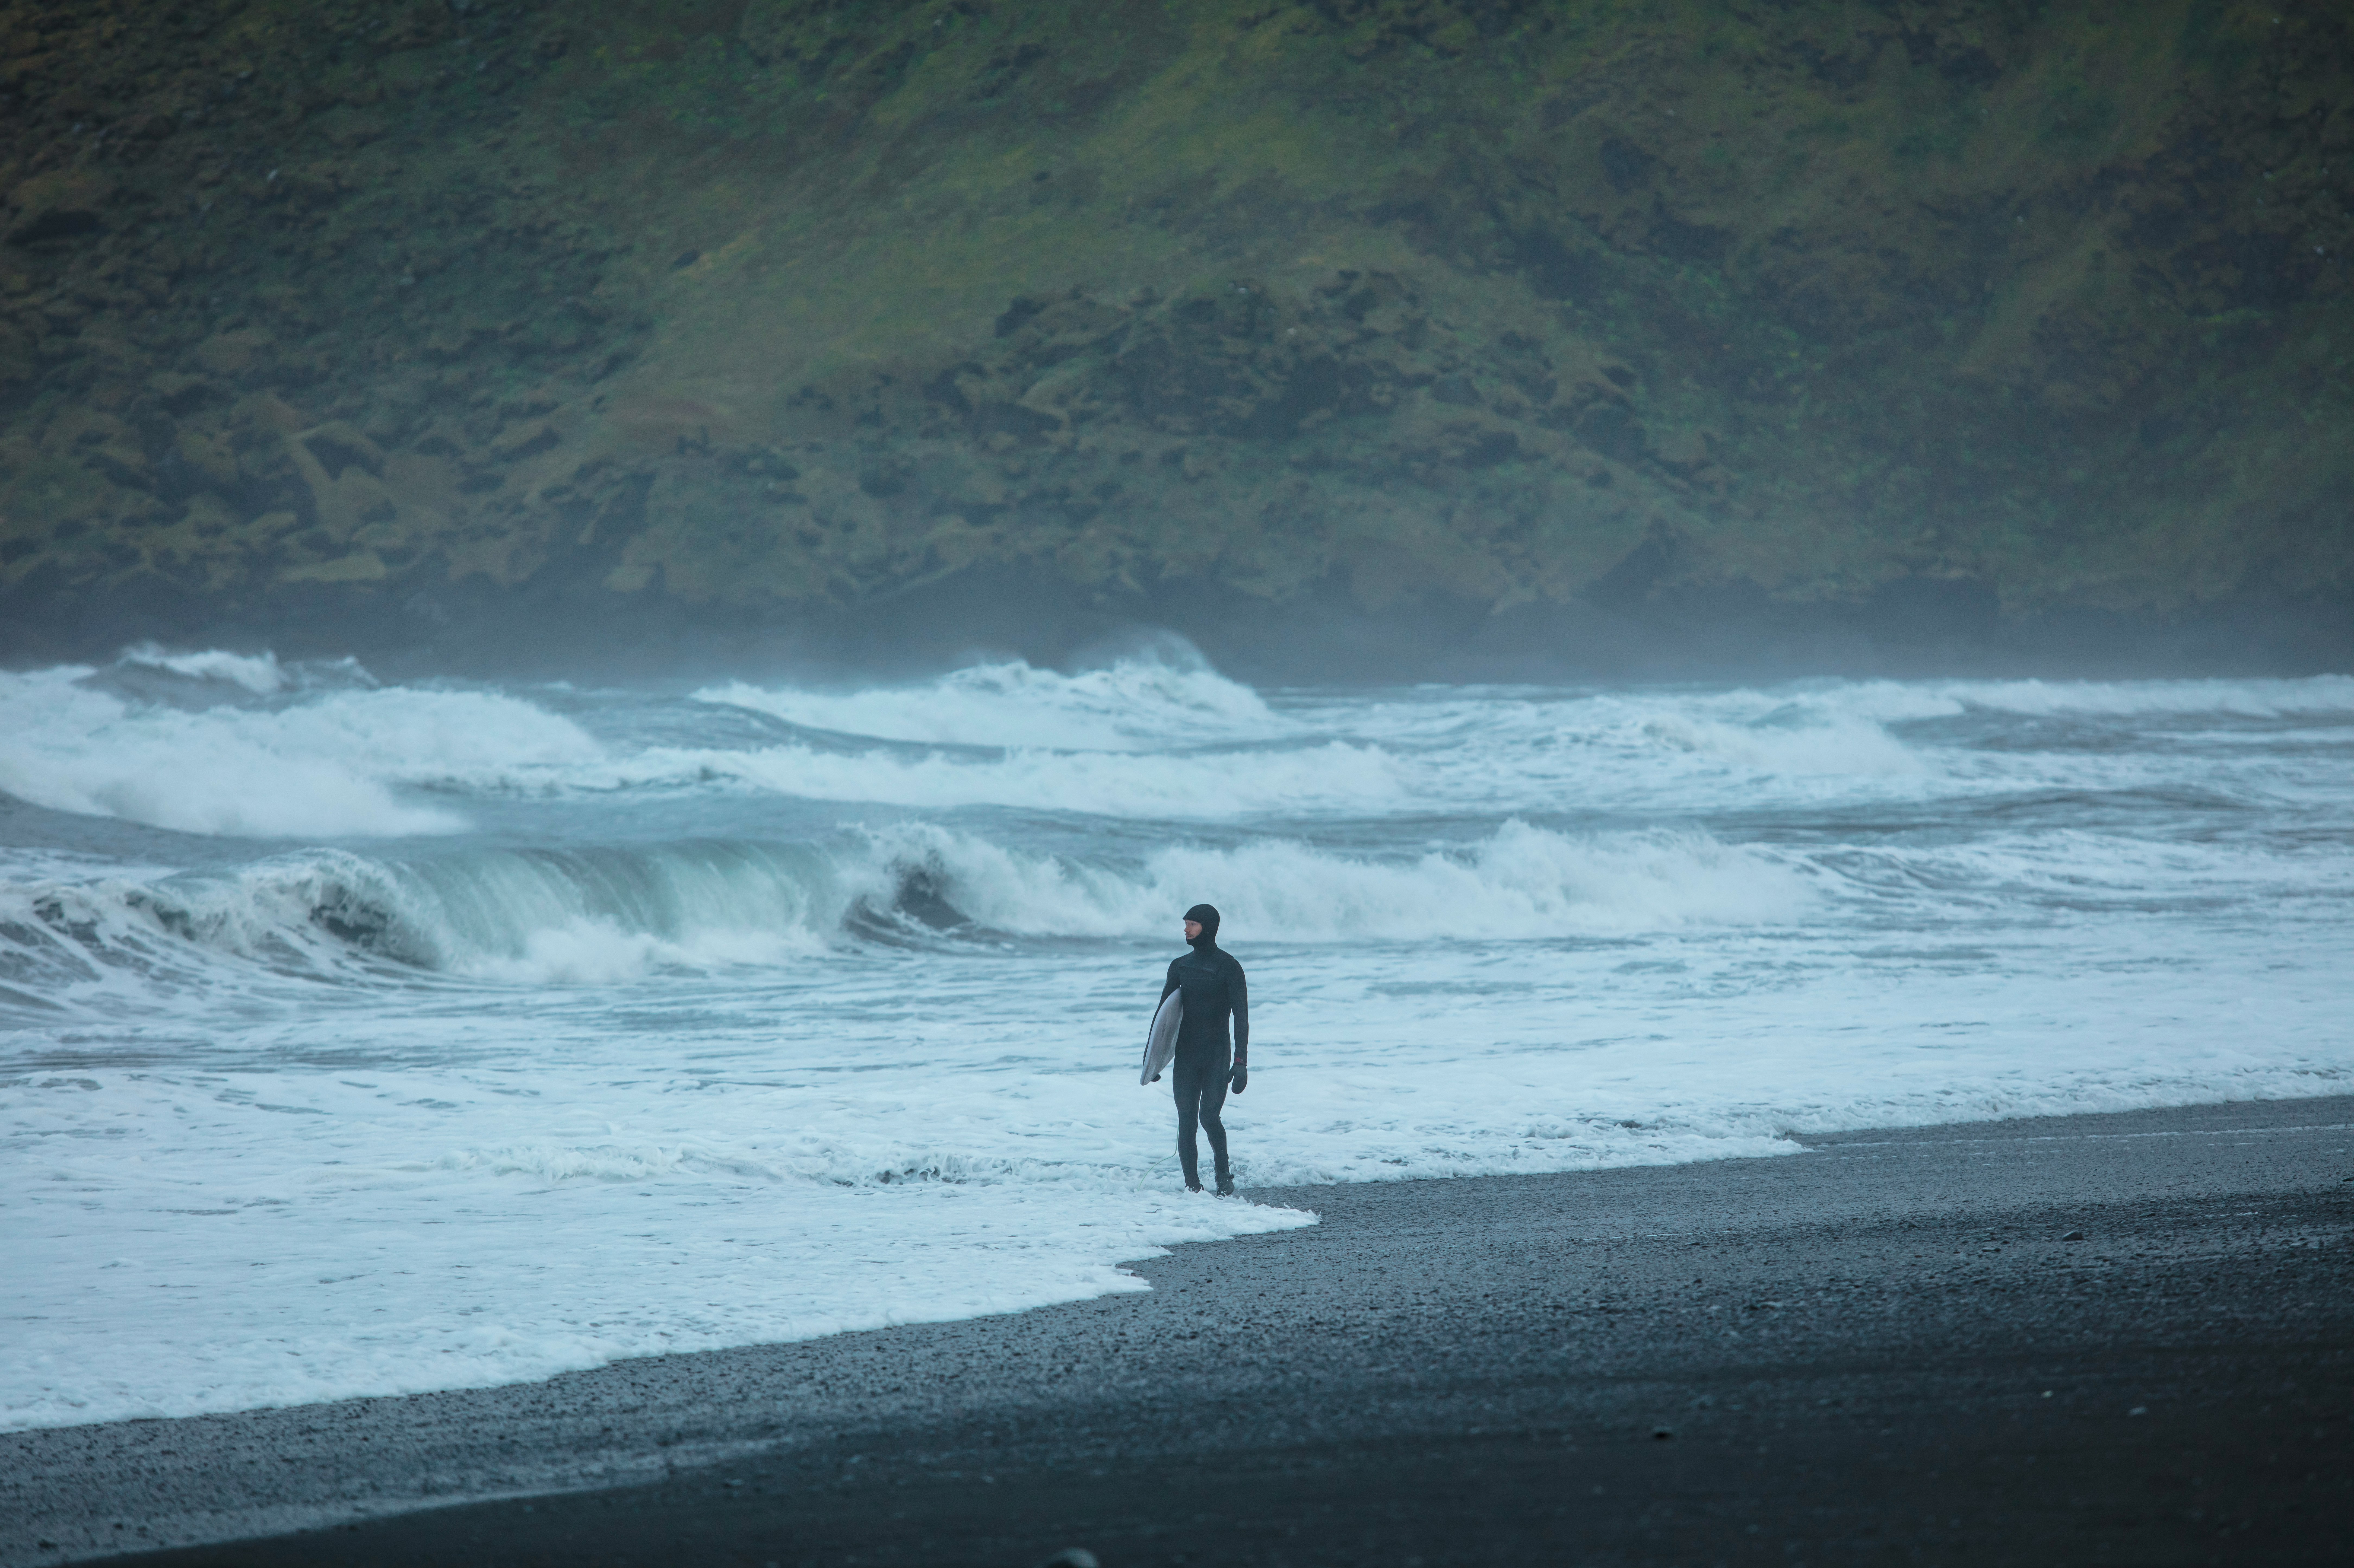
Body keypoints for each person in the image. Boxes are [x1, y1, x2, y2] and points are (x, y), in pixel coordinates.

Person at [1158, 902, 1248, 1194]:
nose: (1185, 929)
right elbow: (1162, 1017)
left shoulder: (1228, 966)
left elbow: (1241, 1017)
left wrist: (1241, 1061)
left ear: (1207, 928)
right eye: (1185, 923)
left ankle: (1223, 1176)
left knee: (1209, 1117)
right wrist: (1153, 1062)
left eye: (1192, 924)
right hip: (1186, 1055)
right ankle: (1192, 1188)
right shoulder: (1180, 966)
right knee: (1186, 1121)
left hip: (1216, 1054)